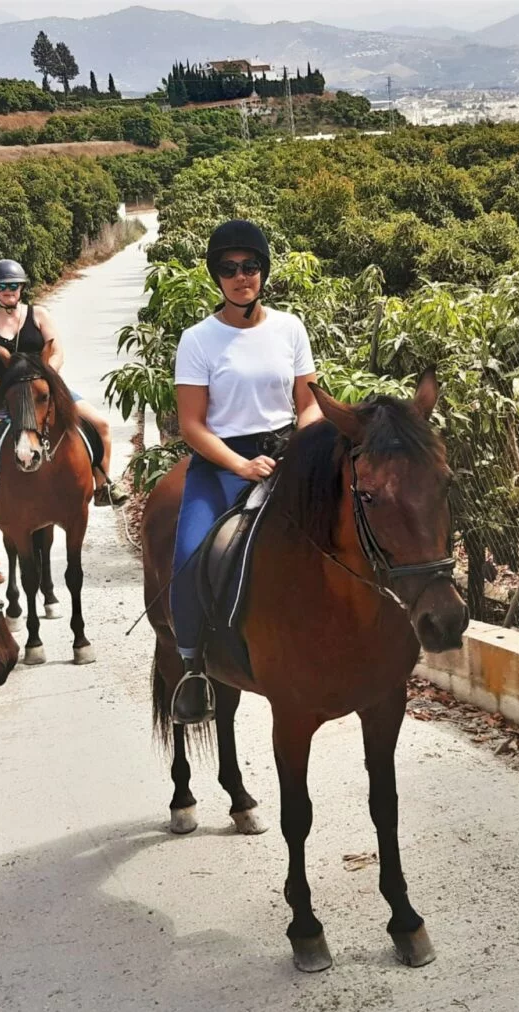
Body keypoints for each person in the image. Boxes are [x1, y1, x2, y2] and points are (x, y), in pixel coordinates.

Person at [168, 220, 323, 725]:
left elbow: (310, 404)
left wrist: (299, 449)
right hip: (221, 463)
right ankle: (192, 664)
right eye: (230, 269)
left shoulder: (290, 329)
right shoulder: (198, 340)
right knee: (190, 557)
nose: (241, 277)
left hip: (286, 455)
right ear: (217, 276)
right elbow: (191, 424)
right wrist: (240, 465)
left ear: (263, 272)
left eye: (250, 267)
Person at [0, 259, 128, 507]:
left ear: (21, 287)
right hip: (7, 394)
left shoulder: (39, 314)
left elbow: (57, 353)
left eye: (13, 284)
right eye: (2, 285)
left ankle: (103, 484)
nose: (8, 290)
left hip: (45, 391)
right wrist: (3, 389)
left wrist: (46, 378)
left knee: (101, 424)